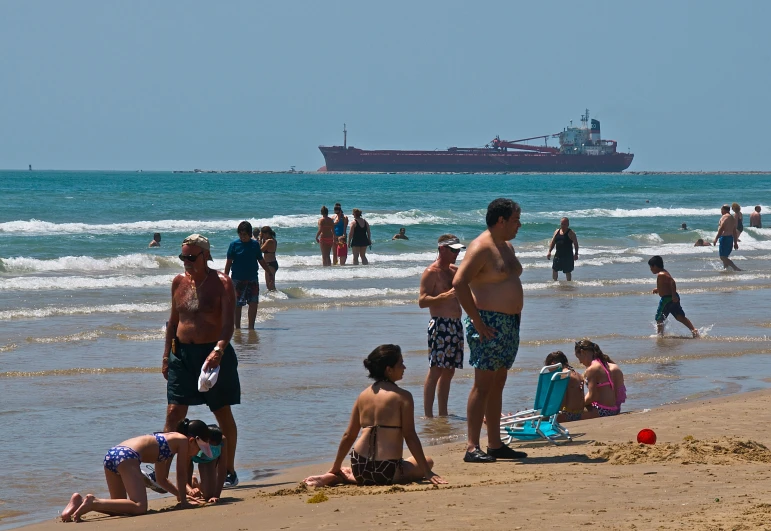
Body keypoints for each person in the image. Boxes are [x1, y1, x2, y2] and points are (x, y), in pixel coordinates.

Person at [453, 198, 527, 463]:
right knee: (482, 385)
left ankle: (495, 444)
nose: (519, 225)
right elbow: (459, 282)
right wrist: (476, 321)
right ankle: (472, 446)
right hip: (488, 323)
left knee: (498, 384)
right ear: (501, 221)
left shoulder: (505, 246)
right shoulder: (481, 247)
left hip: (509, 323)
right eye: (516, 220)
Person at [164, 233, 241, 488]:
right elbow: (173, 322)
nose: (186, 261)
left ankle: (228, 469)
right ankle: (165, 472)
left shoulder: (222, 283)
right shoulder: (178, 282)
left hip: (213, 354)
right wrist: (167, 355)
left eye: (191, 257)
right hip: (182, 355)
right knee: (174, 413)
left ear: (206, 255)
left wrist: (218, 350)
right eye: (182, 256)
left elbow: (229, 324)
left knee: (221, 411)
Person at [328, 344, 447, 486]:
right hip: (387, 470)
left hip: (359, 467)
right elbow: (410, 436)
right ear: (389, 370)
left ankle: (340, 475)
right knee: (428, 461)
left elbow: (349, 435)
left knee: (366, 468)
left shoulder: (363, 396)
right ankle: (343, 476)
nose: (404, 368)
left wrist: (334, 468)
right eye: (401, 363)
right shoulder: (403, 397)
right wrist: (427, 472)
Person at [61, 419, 213, 521]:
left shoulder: (167, 442)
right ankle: (93, 502)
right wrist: (184, 502)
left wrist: (181, 496)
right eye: (199, 450)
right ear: (193, 440)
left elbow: (161, 480)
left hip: (112, 454)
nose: (197, 454)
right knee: (140, 507)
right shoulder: (182, 440)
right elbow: (181, 474)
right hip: (128, 456)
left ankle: (79, 502)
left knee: (120, 508)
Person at [419, 234, 465, 418]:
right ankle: (428, 416)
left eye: (458, 250)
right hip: (440, 325)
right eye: (453, 250)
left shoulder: (454, 270)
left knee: (449, 371)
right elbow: (422, 301)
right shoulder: (431, 272)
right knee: (436, 370)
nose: (456, 254)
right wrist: (443, 297)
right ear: (442, 249)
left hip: (456, 324)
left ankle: (443, 413)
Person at [225, 222, 269, 328]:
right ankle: (237, 328)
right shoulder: (234, 245)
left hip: (252, 279)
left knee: (253, 303)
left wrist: (268, 271)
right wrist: (225, 278)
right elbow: (229, 263)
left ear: (249, 234)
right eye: (240, 234)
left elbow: (261, 260)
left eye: (244, 234)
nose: (242, 236)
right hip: (237, 279)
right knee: (237, 305)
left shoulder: (255, 245)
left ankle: (251, 328)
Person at [648, 255, 699, 338]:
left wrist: (673, 295)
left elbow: (672, 282)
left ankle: (660, 335)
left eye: (651, 267)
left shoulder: (661, 274)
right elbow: (666, 284)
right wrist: (658, 289)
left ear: (655, 266)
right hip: (671, 298)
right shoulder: (664, 272)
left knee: (659, 318)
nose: (650, 269)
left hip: (667, 299)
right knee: (679, 317)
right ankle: (694, 330)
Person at [574, 339, 626, 419]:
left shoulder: (592, 369)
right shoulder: (610, 366)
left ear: (583, 352)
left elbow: (592, 396)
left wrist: (577, 405)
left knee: (570, 414)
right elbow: (620, 395)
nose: (580, 362)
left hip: (603, 411)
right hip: (615, 409)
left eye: (579, 358)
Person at [187, 424, 227, 504]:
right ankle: (192, 482)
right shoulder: (192, 443)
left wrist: (216, 495)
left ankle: (197, 485)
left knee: (208, 495)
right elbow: (181, 473)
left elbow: (222, 469)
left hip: (208, 460)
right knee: (183, 496)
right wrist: (189, 490)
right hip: (191, 457)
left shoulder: (222, 440)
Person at [543, 351, 585, 422]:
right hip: (578, 414)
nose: (550, 372)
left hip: (568, 416)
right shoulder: (577, 374)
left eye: (549, 368)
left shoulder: (563, 375)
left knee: (536, 419)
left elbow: (560, 402)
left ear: (553, 364)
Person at [713, 205, 741, 271]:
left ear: (724, 210)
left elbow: (722, 228)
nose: (721, 211)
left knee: (722, 257)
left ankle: (735, 268)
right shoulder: (732, 218)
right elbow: (734, 231)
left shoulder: (725, 217)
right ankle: (726, 269)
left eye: (721, 210)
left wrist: (716, 238)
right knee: (725, 257)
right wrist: (735, 242)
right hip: (730, 238)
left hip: (724, 238)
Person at [258, 226, 278, 291]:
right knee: (270, 286)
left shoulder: (269, 241)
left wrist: (260, 239)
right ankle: (275, 298)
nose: (262, 236)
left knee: (270, 286)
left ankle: (276, 299)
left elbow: (260, 250)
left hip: (270, 264)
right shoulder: (272, 240)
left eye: (263, 234)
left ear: (266, 233)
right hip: (270, 263)